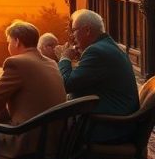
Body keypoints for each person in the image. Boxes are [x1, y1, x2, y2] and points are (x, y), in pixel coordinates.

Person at [0, 20, 65, 158]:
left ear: (17, 41)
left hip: (29, 141)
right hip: (55, 140)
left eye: (9, 42)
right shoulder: (51, 62)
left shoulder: (17, 63)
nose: (8, 46)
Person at [59, 9, 139, 143]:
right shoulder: (107, 46)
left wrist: (64, 58)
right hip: (114, 119)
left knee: (48, 129)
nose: (72, 36)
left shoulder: (96, 51)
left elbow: (66, 84)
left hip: (108, 126)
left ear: (87, 30)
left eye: (74, 30)